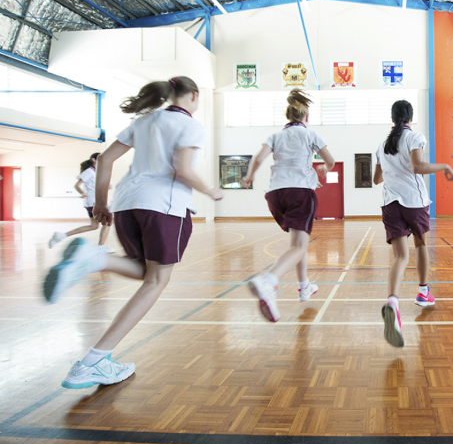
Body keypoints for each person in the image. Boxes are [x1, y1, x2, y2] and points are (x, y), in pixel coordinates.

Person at [43, 76, 223, 389]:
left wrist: (101, 203)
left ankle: (96, 264)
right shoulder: (190, 125)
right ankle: (95, 358)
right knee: (156, 280)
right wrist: (211, 190)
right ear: (193, 96)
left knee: (145, 272)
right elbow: (183, 170)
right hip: (163, 205)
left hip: (126, 204)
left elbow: (105, 160)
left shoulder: (145, 120)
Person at [241, 89, 334, 323]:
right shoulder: (311, 134)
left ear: (288, 116)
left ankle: (304, 286)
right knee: (300, 246)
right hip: (299, 191)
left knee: (297, 244)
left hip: (275, 194)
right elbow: (330, 161)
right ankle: (269, 281)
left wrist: (250, 177)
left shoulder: (275, 136)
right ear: (307, 117)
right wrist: (324, 168)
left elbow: (259, 158)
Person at [373, 100, 453, 347]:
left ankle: (392, 302)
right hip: (413, 201)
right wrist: (444, 166)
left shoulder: (381, 144)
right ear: (410, 117)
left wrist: (390, 170)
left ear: (392, 117)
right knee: (420, 246)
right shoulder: (414, 137)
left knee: (400, 256)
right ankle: (422, 292)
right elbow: (417, 167)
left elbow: (376, 179)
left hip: (390, 202)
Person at [48, 153, 114, 253]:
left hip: (93, 201)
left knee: (94, 226)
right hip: (93, 201)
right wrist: (82, 193)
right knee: (108, 222)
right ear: (93, 159)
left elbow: (94, 185)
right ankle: (100, 248)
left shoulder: (95, 172)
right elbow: (77, 185)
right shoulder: (89, 171)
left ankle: (61, 236)